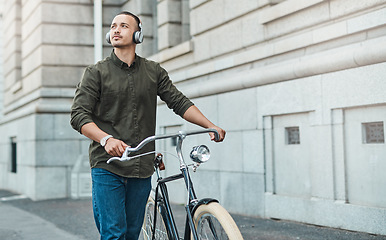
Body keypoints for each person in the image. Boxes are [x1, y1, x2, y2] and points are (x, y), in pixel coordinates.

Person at [70, 11, 225, 240]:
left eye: (124, 25)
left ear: (138, 34)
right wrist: (106, 139)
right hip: (108, 165)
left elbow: (178, 102)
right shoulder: (96, 73)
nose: (116, 30)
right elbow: (78, 115)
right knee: (114, 234)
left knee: (132, 234)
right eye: (113, 26)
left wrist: (210, 125)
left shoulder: (153, 71)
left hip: (141, 166)